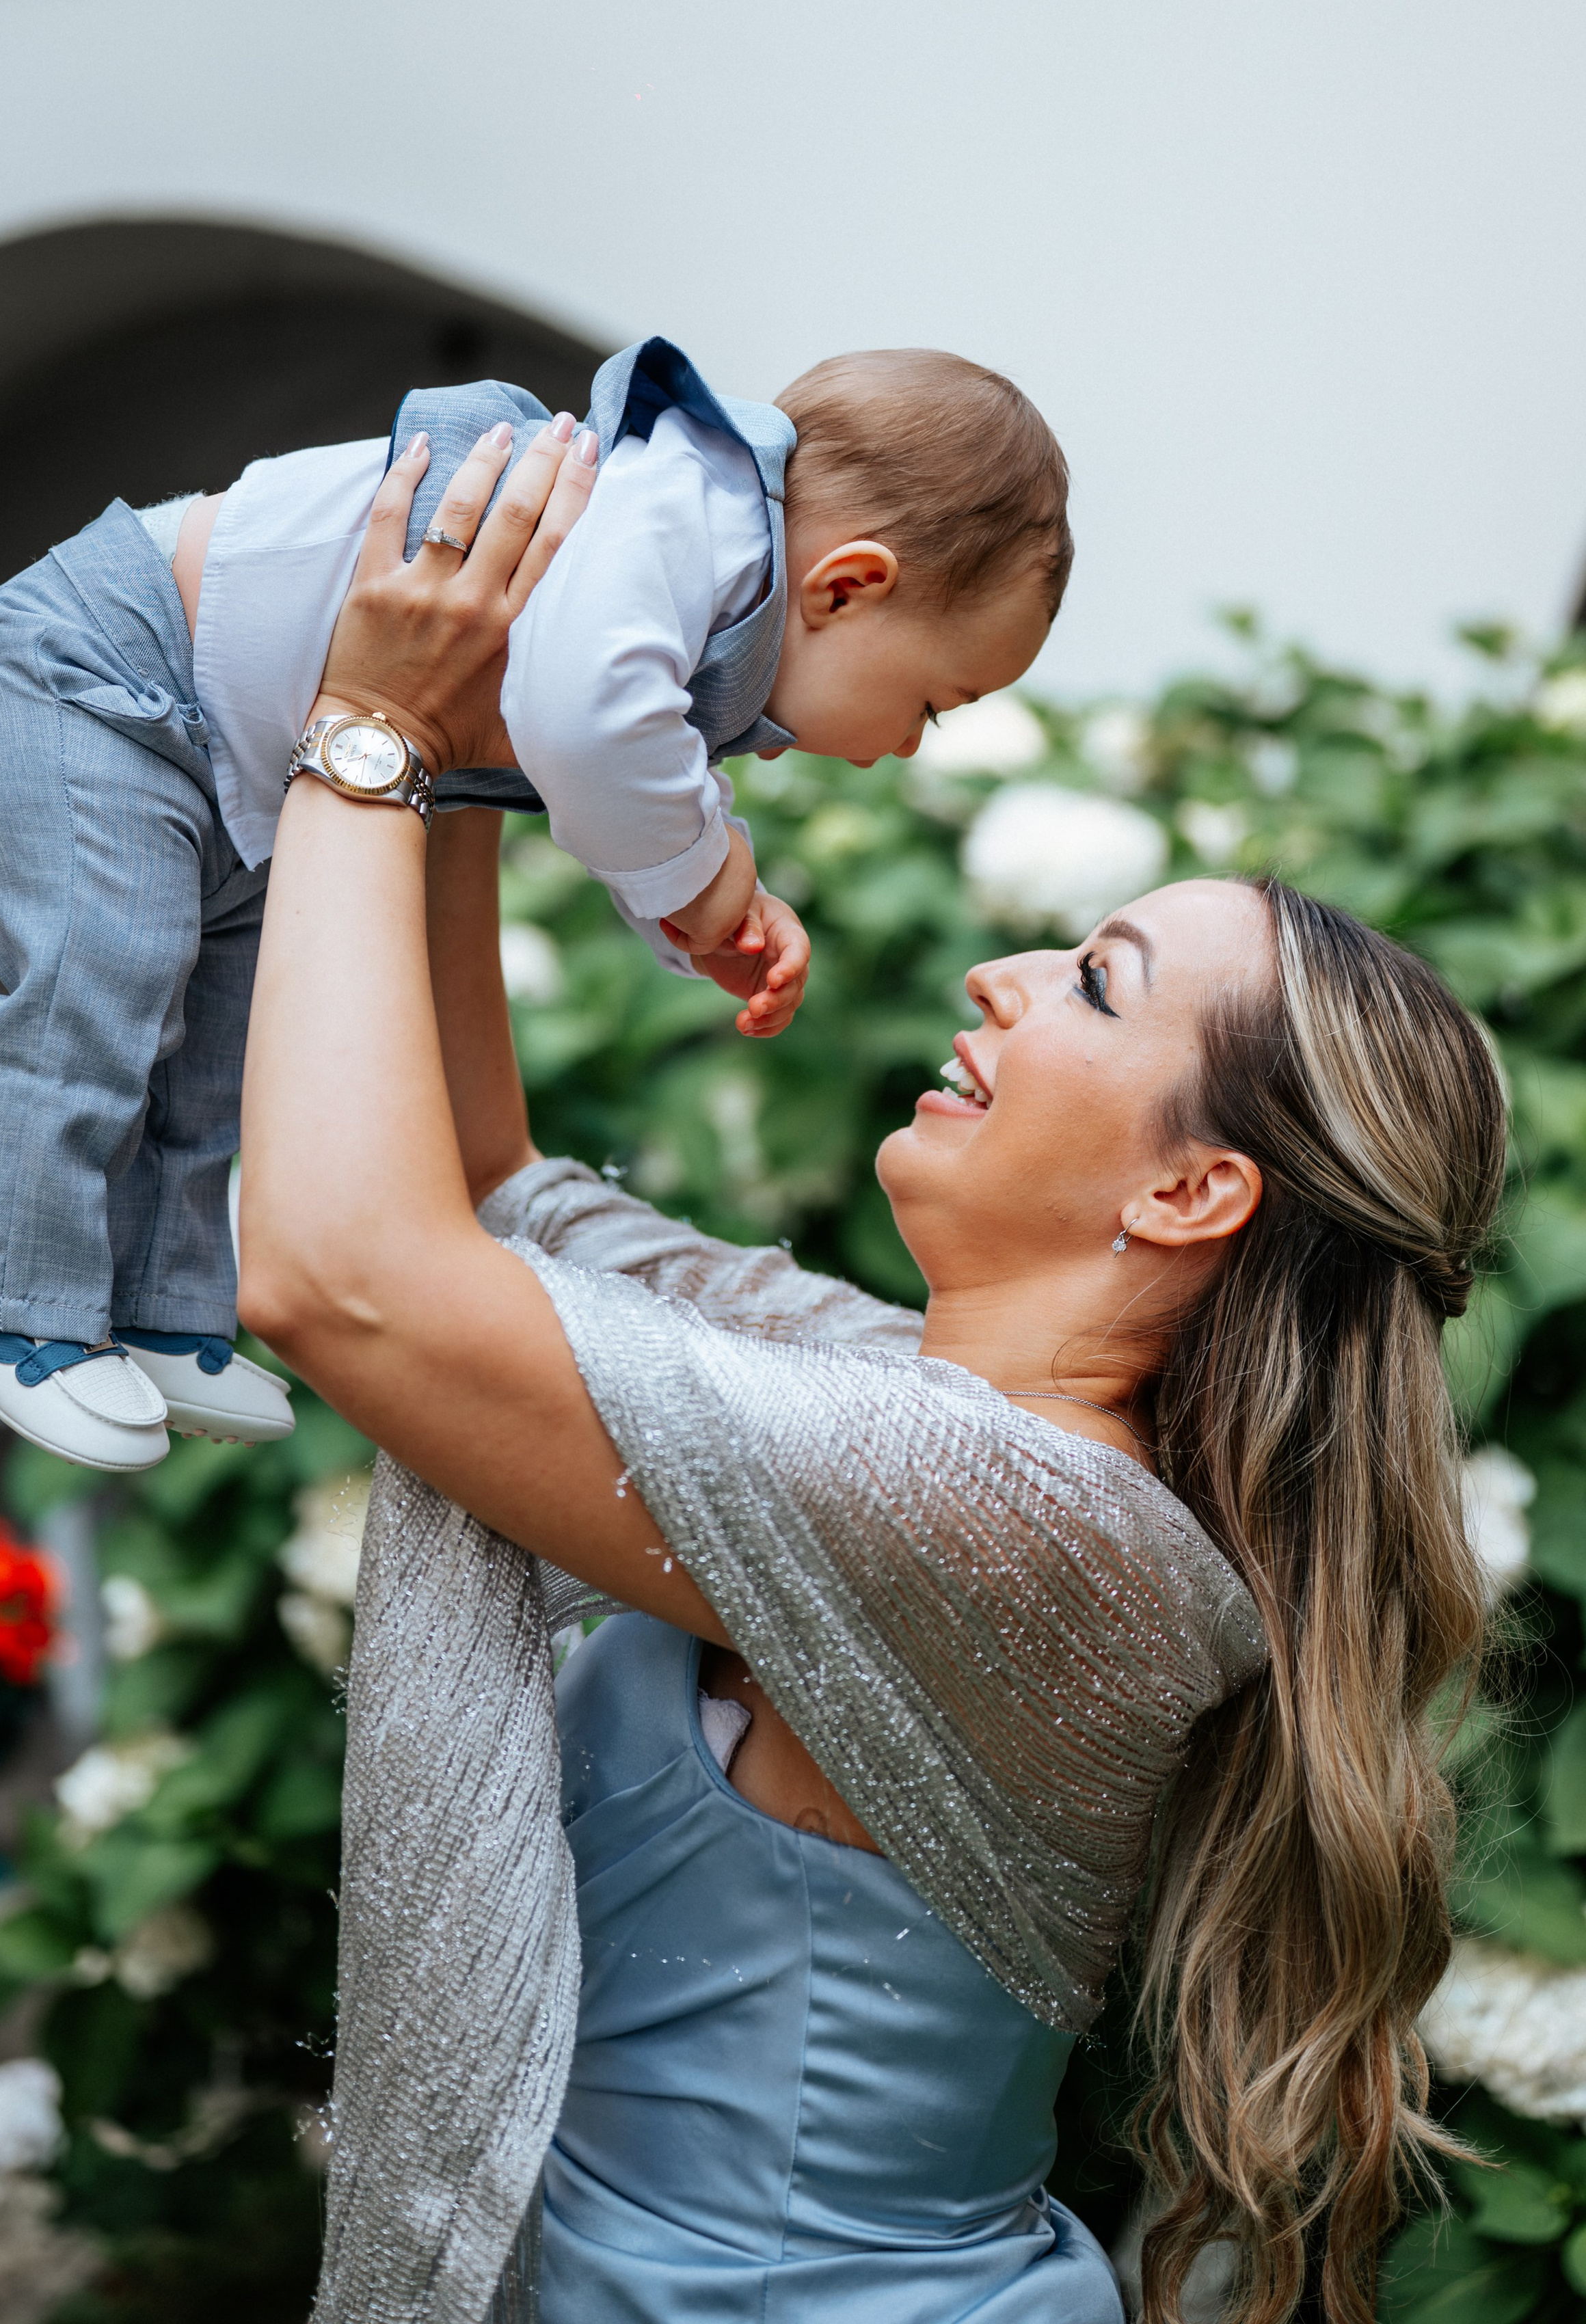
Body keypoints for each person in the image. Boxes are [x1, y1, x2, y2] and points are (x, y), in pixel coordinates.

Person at [236, 425, 1506, 2324]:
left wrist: (363, 736)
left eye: (1093, 983)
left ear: (1189, 1189)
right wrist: (492, 696)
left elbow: (348, 1277)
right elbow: (490, 1197)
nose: (1004, 974)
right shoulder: (881, 1401)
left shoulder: (1040, 1540)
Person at [0, 336, 1068, 1476]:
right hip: (94, 672)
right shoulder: (681, 529)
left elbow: (608, 768)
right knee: (96, 994)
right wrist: (711, 881)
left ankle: (162, 1311)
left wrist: (694, 918)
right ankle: (4, 1303)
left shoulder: (704, 577)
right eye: (935, 701)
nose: (910, 745)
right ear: (847, 585)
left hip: (217, 746)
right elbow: (590, 728)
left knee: (213, 1031)